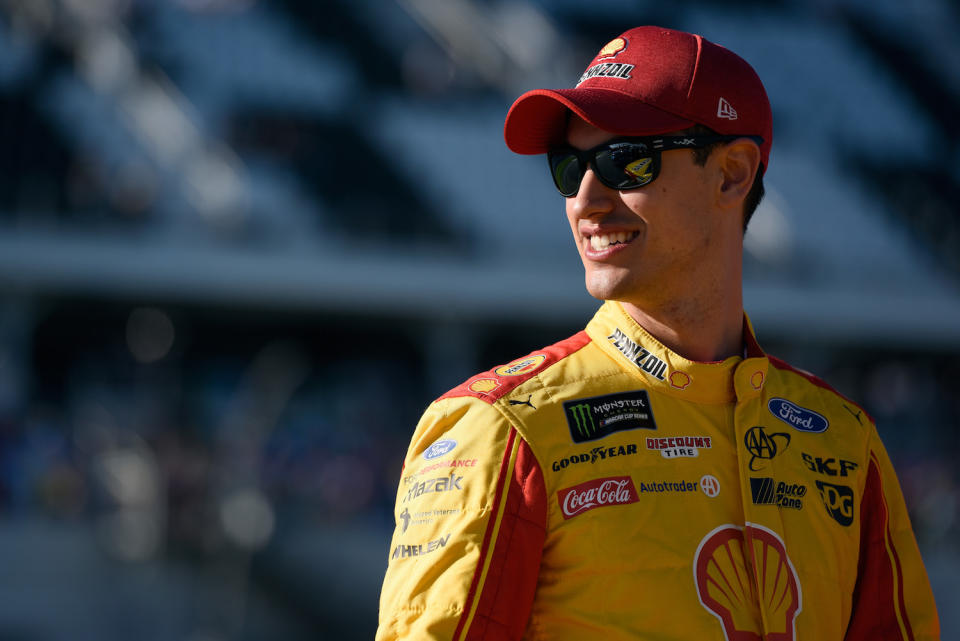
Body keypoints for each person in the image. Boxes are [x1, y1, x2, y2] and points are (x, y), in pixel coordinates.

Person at [376, 25, 940, 641]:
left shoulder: (844, 442)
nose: (586, 199)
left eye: (625, 162)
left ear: (732, 174)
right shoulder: (502, 428)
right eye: (569, 167)